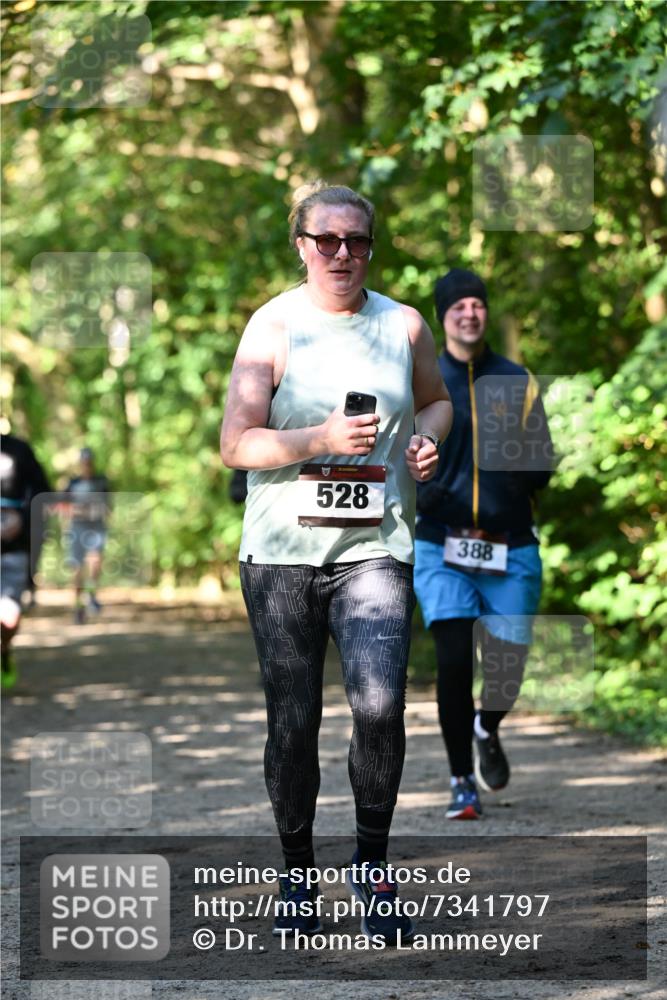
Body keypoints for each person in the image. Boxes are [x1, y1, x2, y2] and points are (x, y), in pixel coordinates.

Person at [220, 180, 452, 944]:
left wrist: (426, 440)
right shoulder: (272, 327)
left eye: (356, 240)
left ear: (371, 247)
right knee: (294, 722)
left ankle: (371, 867)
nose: (342, 253)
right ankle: (296, 874)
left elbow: (436, 402)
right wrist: (318, 440)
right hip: (281, 555)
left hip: (374, 548)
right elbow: (236, 444)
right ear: (302, 245)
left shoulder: (404, 325)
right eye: (327, 240)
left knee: (379, 706)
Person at [414, 268, 553, 820]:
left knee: (506, 671)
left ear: (486, 313)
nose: (469, 314)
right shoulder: (423, 380)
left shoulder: (516, 379)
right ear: (443, 316)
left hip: (509, 544)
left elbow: (542, 465)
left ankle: (486, 727)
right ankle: (461, 783)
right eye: (458, 307)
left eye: (477, 305)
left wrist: (519, 472)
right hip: (442, 544)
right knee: (453, 662)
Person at [1, 432, 50, 690]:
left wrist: (22, 518)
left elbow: (42, 493)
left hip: (14, 548)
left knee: (8, 618)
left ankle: (4, 650)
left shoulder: (19, 450)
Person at [65, 447, 111, 624]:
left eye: (89, 462)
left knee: (95, 561)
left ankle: (91, 595)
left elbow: (109, 506)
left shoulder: (101, 482)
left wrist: (99, 511)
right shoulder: (72, 483)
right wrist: (77, 511)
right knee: (77, 569)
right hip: (77, 528)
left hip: (96, 527)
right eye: (84, 462)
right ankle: (78, 607)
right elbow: (63, 506)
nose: (87, 466)